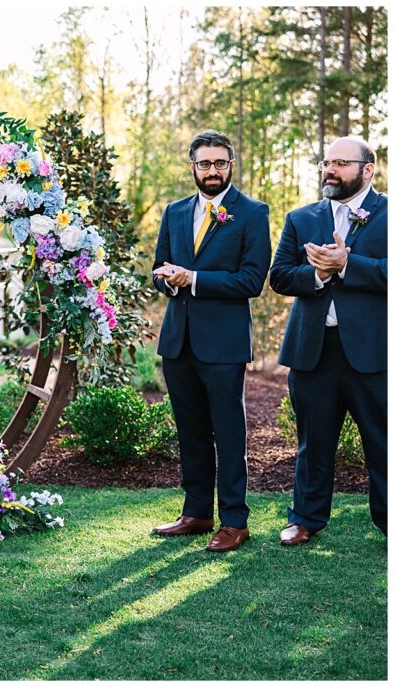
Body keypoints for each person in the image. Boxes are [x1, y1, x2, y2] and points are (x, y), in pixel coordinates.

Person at [150, 130, 271, 552]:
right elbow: (158, 268)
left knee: (228, 432)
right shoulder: (175, 211)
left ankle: (235, 521)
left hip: (223, 344)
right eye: (205, 163)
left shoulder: (252, 213)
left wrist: (195, 279)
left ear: (231, 165)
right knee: (191, 431)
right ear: (193, 167)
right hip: (178, 341)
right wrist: (167, 279)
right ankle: (197, 513)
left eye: (220, 163)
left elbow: (252, 280)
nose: (213, 170)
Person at [269, 136, 387, 545]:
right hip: (313, 351)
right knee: (312, 444)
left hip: (374, 352)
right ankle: (305, 519)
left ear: (367, 170)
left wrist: (349, 263)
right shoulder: (301, 217)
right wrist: (318, 274)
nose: (329, 170)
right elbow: (279, 275)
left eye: (340, 162)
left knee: (383, 443)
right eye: (326, 162)